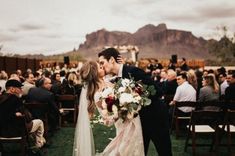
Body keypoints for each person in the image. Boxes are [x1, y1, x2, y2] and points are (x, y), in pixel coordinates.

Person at [98, 48, 172, 156]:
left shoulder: (133, 71)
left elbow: (157, 91)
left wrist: (135, 97)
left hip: (156, 118)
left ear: (112, 60)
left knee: (164, 152)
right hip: (138, 122)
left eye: (102, 62)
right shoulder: (115, 79)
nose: (101, 66)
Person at [73, 61, 145, 156]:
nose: (102, 67)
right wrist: (121, 110)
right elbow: (107, 119)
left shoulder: (109, 81)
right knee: (127, 150)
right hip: (123, 125)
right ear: (95, 73)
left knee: (136, 147)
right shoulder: (98, 95)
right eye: (100, 67)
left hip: (133, 120)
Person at [0, 79, 46, 148]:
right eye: (19, 88)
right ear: (12, 89)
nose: (21, 90)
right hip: (15, 131)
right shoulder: (15, 99)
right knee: (39, 122)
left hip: (1, 131)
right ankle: (39, 145)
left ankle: (38, 141)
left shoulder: (1, 97)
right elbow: (28, 118)